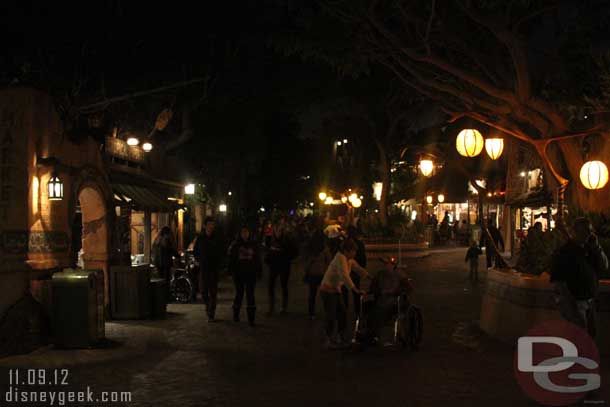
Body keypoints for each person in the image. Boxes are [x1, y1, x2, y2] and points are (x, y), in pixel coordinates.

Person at [551, 217, 608, 338]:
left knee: (591, 336)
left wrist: (597, 247)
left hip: (590, 301)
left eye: (589, 231)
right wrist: (571, 308)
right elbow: (559, 283)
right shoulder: (564, 252)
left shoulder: (590, 249)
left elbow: (604, 266)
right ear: (575, 232)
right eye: (584, 231)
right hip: (576, 303)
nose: (587, 234)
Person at [319, 239, 366, 348]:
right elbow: (345, 276)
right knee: (331, 315)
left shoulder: (348, 260)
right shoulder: (340, 259)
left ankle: (340, 336)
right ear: (346, 251)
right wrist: (355, 290)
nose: (354, 253)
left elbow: (358, 268)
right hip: (327, 291)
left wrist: (369, 276)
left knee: (342, 313)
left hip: (336, 290)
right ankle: (328, 339)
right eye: (353, 251)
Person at [363, 257, 413, 343]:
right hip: (381, 301)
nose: (385, 266)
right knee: (367, 308)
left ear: (393, 265)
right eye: (384, 264)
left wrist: (394, 292)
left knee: (380, 312)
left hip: (395, 302)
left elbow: (408, 288)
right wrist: (376, 292)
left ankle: (372, 333)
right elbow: (373, 288)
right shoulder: (379, 275)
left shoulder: (400, 275)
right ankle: (370, 332)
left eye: (387, 264)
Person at [228, 226, 262, 326]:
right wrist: (231, 272)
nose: (245, 234)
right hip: (239, 274)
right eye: (243, 232)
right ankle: (236, 315)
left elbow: (257, 259)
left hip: (250, 274)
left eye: (246, 232)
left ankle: (251, 318)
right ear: (240, 233)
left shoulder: (254, 245)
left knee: (250, 295)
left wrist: (258, 271)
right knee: (239, 294)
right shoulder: (236, 245)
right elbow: (232, 260)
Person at [193, 217, 225, 322]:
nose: (211, 227)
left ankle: (211, 313)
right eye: (209, 224)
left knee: (213, 292)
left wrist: (220, 264)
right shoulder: (200, 238)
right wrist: (198, 260)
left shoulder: (218, 238)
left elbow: (222, 252)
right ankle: (208, 306)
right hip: (204, 268)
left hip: (214, 269)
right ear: (205, 226)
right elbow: (195, 251)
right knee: (203, 291)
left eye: (213, 224)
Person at [265, 224, 297, 315]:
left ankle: (284, 308)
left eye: (279, 230)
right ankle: (271, 307)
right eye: (276, 229)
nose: (277, 231)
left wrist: (286, 257)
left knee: (284, 286)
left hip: (284, 266)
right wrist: (268, 260)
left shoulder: (287, 240)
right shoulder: (271, 240)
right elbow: (267, 251)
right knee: (271, 286)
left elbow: (294, 252)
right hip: (273, 266)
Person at [303, 224, 331, 319]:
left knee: (312, 294)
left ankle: (311, 313)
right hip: (322, 273)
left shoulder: (310, 248)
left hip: (312, 273)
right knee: (326, 294)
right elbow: (329, 261)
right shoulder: (325, 249)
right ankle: (327, 311)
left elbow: (306, 260)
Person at [345, 226, 367, 316]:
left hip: (346, 269)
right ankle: (357, 310)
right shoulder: (359, 243)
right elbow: (363, 258)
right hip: (355, 270)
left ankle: (345, 309)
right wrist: (362, 268)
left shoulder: (344, 243)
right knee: (356, 290)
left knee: (344, 290)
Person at [153, 226, 179, 302]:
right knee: (166, 281)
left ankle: (161, 298)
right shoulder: (166, 240)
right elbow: (172, 251)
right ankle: (166, 298)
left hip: (158, 264)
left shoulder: (156, 240)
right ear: (167, 233)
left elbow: (154, 251)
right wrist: (178, 256)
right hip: (166, 264)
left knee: (161, 281)